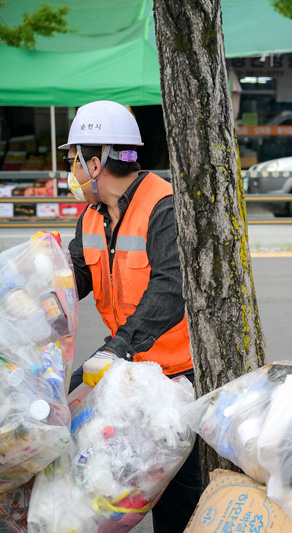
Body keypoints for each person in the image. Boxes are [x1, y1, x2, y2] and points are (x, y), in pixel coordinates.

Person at [61, 100, 202, 532]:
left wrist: (116, 348)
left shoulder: (163, 206)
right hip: (130, 374)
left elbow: (170, 287)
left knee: (177, 496)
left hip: (178, 378)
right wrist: (34, 302)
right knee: (109, 479)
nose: (71, 172)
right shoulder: (93, 216)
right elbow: (74, 277)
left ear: (96, 160)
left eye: (73, 161)